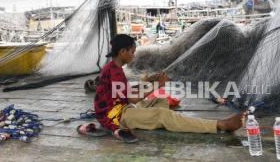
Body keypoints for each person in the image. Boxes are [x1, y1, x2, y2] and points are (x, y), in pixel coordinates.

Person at [94, 34, 246, 143]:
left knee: (160, 101)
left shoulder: (113, 68)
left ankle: (168, 120)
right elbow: (133, 97)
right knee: (162, 115)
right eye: (132, 52)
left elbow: (124, 92)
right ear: (122, 52)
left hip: (121, 107)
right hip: (116, 116)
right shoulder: (114, 71)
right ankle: (220, 124)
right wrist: (158, 84)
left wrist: (148, 81)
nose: (133, 55)